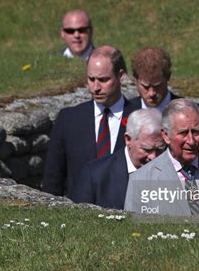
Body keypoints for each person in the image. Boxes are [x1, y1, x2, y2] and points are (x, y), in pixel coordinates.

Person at [42, 46, 136, 198]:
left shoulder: (138, 117)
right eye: (91, 79)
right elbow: (53, 180)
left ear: (121, 76)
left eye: (103, 80)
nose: (96, 87)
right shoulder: (69, 120)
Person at [124, 99, 199, 218]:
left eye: (196, 132)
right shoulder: (142, 179)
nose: (191, 141)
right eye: (183, 133)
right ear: (166, 136)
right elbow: (135, 233)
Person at [128, 47, 199, 160]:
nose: (152, 93)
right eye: (145, 86)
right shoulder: (125, 112)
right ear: (135, 79)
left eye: (157, 86)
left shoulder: (194, 113)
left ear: (168, 77)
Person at [72, 109, 165, 209]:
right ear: (128, 139)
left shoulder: (172, 172)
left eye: (160, 149)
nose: (154, 157)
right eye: (147, 149)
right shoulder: (95, 175)